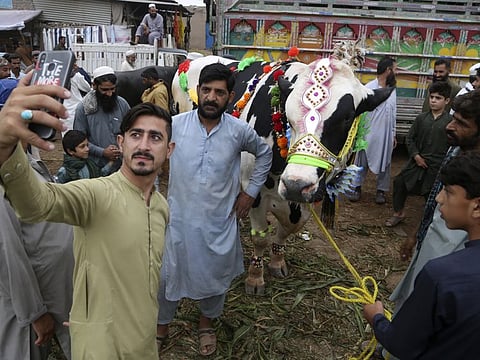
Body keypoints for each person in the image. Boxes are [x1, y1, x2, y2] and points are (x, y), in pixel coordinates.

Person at [0, 75, 175, 359]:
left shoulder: (160, 207)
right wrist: (4, 147)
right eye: (135, 135)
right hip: (100, 347)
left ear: (169, 150)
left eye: (155, 137)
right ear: (121, 142)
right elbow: (38, 204)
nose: (143, 145)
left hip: (143, 343)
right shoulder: (95, 194)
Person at [156, 63, 272, 356]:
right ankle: (161, 327)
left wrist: (250, 193)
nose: (211, 97)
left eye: (219, 92)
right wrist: (153, 192)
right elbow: (153, 157)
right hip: (178, 219)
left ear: (229, 97)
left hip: (218, 221)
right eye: (206, 90)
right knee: (167, 274)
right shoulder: (175, 125)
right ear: (196, 92)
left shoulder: (238, 131)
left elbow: (265, 153)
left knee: (214, 275)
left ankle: (206, 324)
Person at [364, 151, 480, 359]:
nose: (439, 198)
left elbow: (401, 345)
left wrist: (377, 318)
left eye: (449, 191)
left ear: (477, 206)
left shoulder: (442, 276)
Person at [0, 144, 74, 360]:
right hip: (27, 298)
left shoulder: (21, 158)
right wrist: (34, 313)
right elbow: (6, 254)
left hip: (55, 286)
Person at [385, 81, 451, 227]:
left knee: (432, 193)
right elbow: (409, 138)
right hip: (417, 161)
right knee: (400, 182)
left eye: (438, 98)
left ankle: (429, 222)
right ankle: (398, 213)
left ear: (447, 101)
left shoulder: (450, 122)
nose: (433, 100)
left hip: (436, 165)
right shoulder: (422, 118)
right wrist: (416, 155)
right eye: (432, 97)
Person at [349, 57, 397, 204]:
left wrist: (393, 134)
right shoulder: (369, 88)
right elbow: (362, 114)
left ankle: (381, 191)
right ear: (388, 70)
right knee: (361, 161)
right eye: (394, 69)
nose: (396, 72)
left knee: (385, 162)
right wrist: (360, 134)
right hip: (368, 133)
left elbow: (394, 113)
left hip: (385, 134)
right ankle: (356, 187)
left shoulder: (392, 90)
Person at [73, 65, 130, 172]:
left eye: (112, 89)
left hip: (122, 165)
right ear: (94, 86)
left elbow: (131, 130)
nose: (109, 94)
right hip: (96, 166)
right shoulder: (83, 109)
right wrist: (102, 152)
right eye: (104, 90)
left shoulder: (122, 104)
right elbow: (79, 140)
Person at [62, 58, 91, 134]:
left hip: (63, 109)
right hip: (76, 109)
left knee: (66, 134)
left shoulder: (59, 75)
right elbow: (87, 88)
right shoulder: (76, 76)